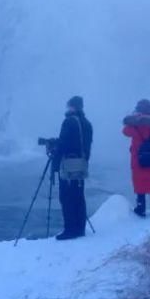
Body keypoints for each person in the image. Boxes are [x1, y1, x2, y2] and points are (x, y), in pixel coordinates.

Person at [52, 96, 93, 241]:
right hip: (81, 164)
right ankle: (80, 228)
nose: (67, 109)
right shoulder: (87, 124)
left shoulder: (69, 122)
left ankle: (70, 230)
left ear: (73, 107)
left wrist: (55, 162)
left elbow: (63, 144)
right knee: (79, 196)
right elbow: (87, 146)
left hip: (69, 165)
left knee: (66, 197)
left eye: (68, 106)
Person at [123, 99, 150, 217]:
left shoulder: (134, 125)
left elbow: (125, 131)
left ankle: (141, 209)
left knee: (139, 183)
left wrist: (134, 118)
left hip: (138, 159)